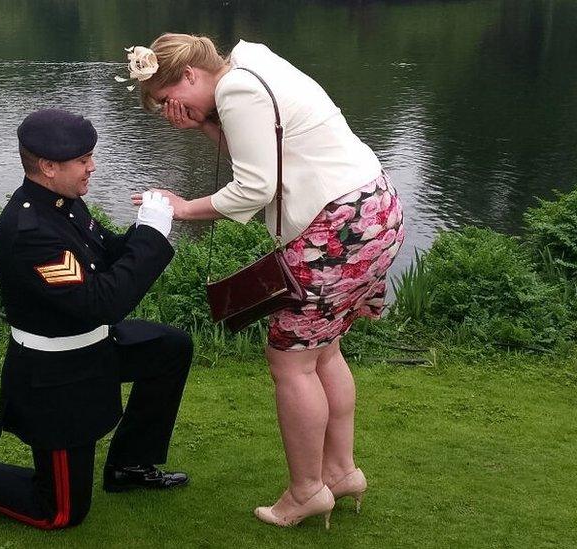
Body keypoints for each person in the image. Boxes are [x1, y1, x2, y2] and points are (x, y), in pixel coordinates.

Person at [125, 34, 405, 528]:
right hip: (373, 211)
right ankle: (338, 473)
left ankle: (304, 492)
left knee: (290, 361)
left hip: (337, 228)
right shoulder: (251, 65)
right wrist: (204, 126)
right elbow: (264, 154)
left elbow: (256, 186)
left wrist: (183, 208)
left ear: (190, 75)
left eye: (170, 100)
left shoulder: (237, 92)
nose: (172, 111)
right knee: (325, 352)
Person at [0, 109, 193, 530]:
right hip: (57, 377)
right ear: (47, 166)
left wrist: (146, 227)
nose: (92, 166)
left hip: (93, 346)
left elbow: (104, 256)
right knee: (58, 511)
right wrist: (151, 239)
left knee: (170, 348)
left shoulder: (64, 205)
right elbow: (101, 303)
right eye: (83, 160)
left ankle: (129, 466)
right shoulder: (31, 232)